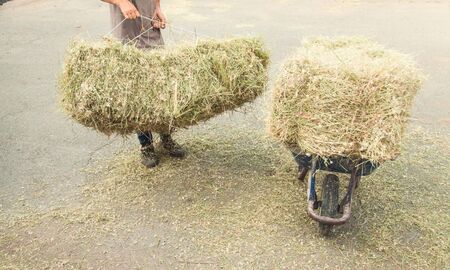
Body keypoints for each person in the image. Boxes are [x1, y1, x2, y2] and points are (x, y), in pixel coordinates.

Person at [101, 0, 186, 168]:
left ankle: (166, 137)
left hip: (151, 31)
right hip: (127, 38)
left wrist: (157, 7)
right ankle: (146, 145)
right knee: (139, 95)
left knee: (162, 89)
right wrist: (121, 2)